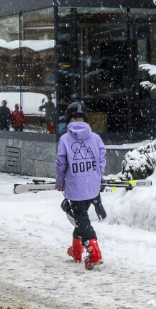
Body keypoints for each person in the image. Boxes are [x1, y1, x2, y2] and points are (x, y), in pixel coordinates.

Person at [56, 101, 106, 270]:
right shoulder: (96, 138)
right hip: (91, 185)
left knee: (82, 219)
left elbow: (61, 164)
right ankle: (76, 251)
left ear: (68, 118)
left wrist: (60, 183)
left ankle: (94, 252)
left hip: (75, 185)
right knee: (81, 217)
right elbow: (101, 160)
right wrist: (97, 178)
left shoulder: (65, 139)